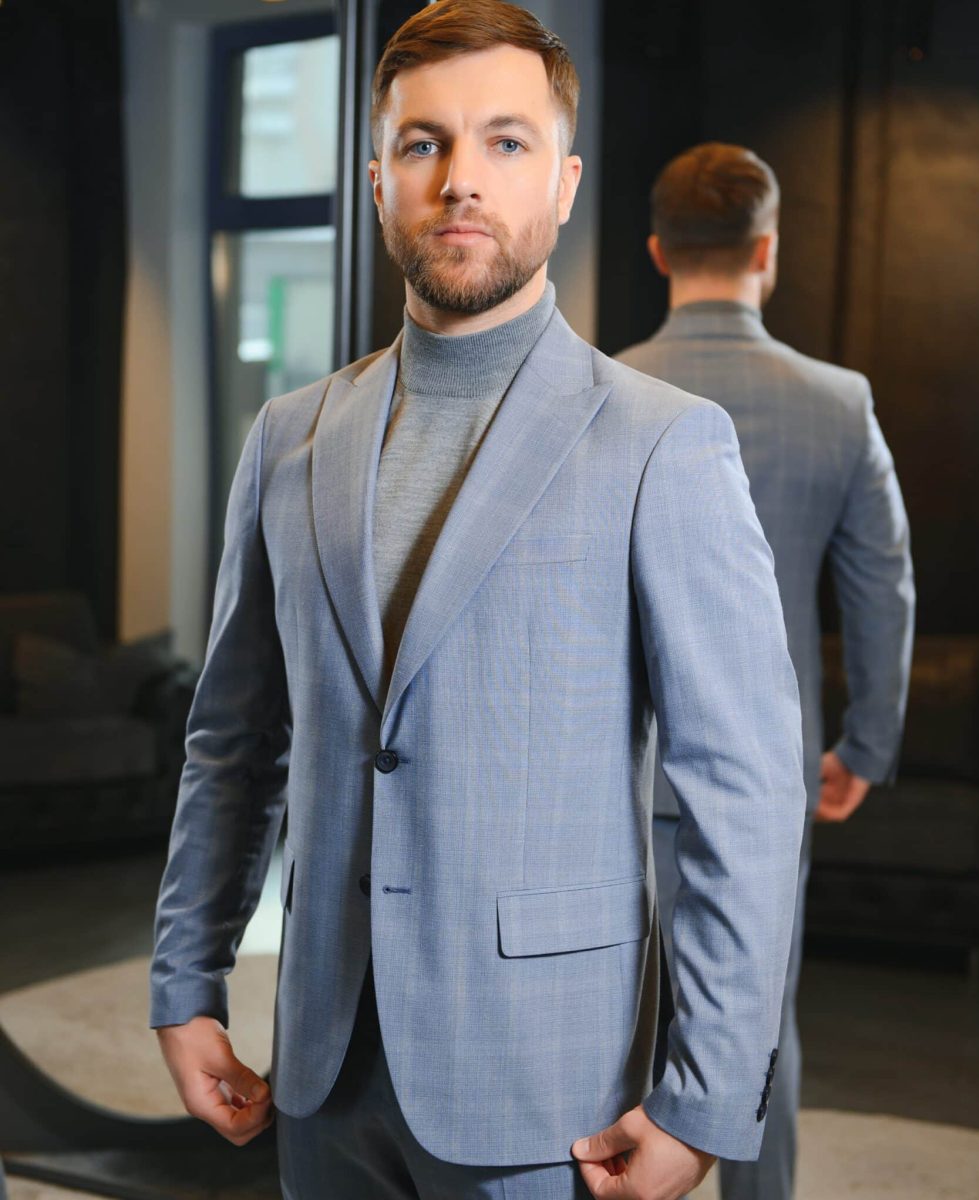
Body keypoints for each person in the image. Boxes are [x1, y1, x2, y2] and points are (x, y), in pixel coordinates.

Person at [150, 11, 806, 1200]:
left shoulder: (663, 445)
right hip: (322, 1068)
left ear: (561, 184)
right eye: (423, 145)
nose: (460, 181)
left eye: (504, 142)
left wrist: (703, 1092)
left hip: (549, 1088)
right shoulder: (287, 438)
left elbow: (743, 792)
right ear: (377, 182)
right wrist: (184, 983)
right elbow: (232, 743)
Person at [617, 142, 915, 1200]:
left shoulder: (599, 395)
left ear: (657, 250)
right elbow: (884, 592)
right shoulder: (839, 402)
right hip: (768, 775)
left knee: (600, 1019)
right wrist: (862, 748)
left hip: (611, 774)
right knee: (756, 1019)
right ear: (767, 251)